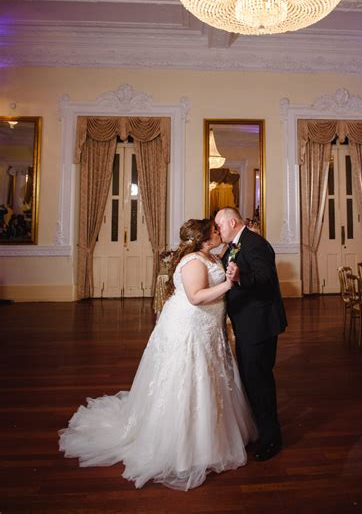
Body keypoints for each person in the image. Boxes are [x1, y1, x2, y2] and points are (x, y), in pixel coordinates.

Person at [59, 219, 257, 491]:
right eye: (214, 230)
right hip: (190, 326)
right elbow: (196, 296)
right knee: (188, 378)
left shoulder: (208, 254)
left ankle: (211, 436)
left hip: (208, 326)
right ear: (202, 238)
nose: (218, 232)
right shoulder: (193, 262)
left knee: (210, 376)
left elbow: (229, 256)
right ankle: (184, 445)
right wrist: (229, 284)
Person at [214, 207, 287, 462]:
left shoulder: (255, 244)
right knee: (251, 380)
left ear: (232, 222)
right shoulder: (237, 243)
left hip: (259, 326)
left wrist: (240, 276)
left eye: (219, 225)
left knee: (260, 382)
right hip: (247, 324)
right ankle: (261, 429)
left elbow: (265, 278)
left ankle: (272, 439)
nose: (218, 230)